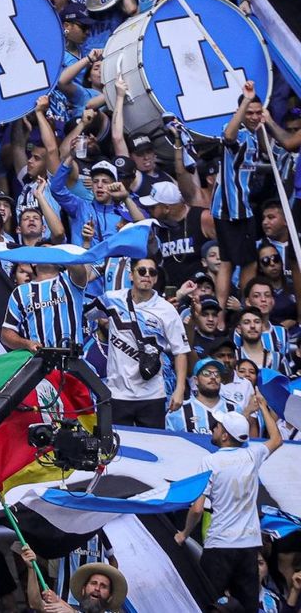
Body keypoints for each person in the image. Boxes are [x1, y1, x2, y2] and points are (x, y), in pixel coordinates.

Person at [175, 393, 283, 613]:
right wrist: (262, 406)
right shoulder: (252, 456)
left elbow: (197, 508)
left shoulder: (210, 461)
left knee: (205, 603)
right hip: (248, 547)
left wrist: (184, 533)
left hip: (220, 546)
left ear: (224, 435)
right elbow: (277, 439)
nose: (213, 428)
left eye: (217, 426)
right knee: (247, 608)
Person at [91, 256, 190, 428]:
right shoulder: (112, 299)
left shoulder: (166, 309)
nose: (147, 276)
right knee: (119, 450)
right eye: (142, 271)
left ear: (156, 278)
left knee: (154, 449)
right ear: (131, 275)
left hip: (152, 395)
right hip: (117, 394)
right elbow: (84, 312)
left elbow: (180, 351)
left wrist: (179, 389)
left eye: (152, 272)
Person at [211, 82, 265, 321]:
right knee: (227, 261)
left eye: (257, 112)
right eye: (249, 113)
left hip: (244, 209)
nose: (253, 117)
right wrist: (245, 101)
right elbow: (228, 136)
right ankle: (221, 314)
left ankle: (244, 308)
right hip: (228, 209)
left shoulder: (255, 137)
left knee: (249, 260)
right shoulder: (236, 131)